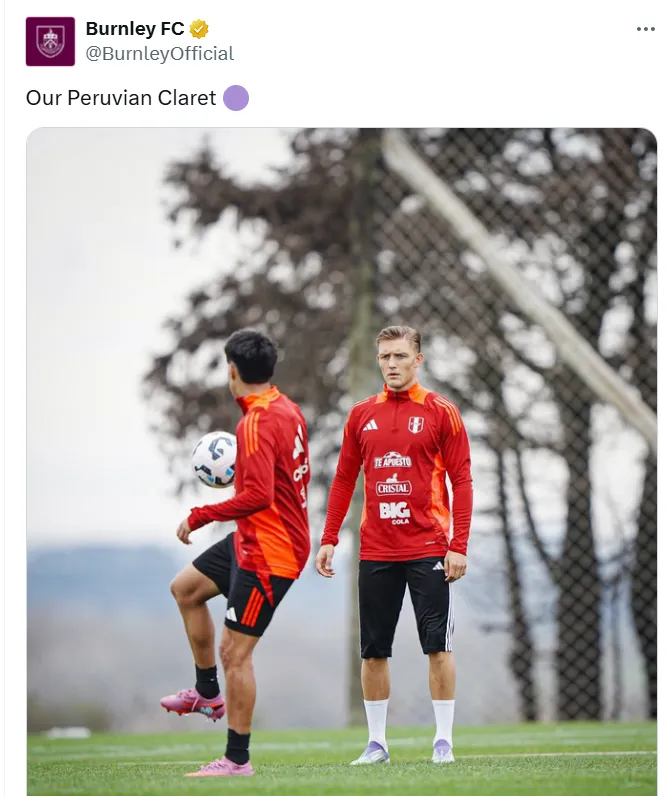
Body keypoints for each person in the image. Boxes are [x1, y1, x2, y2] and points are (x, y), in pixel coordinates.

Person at [316, 325, 473, 765]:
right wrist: (329, 538)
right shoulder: (361, 414)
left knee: (437, 647)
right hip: (376, 551)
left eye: (400, 356)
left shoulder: (442, 412)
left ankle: (443, 741)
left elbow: (461, 480)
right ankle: (377, 744)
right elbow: (345, 478)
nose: (391, 365)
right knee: (373, 650)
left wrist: (457, 544)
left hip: (429, 549)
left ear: (417, 360)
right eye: (385, 357)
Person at [160, 329, 311, 778]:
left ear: (232, 370)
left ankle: (236, 760)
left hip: (272, 550)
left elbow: (258, 496)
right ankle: (207, 693)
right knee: (185, 589)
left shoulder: (257, 423)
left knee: (235, 653)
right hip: (254, 537)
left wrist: (202, 514)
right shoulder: (286, 408)